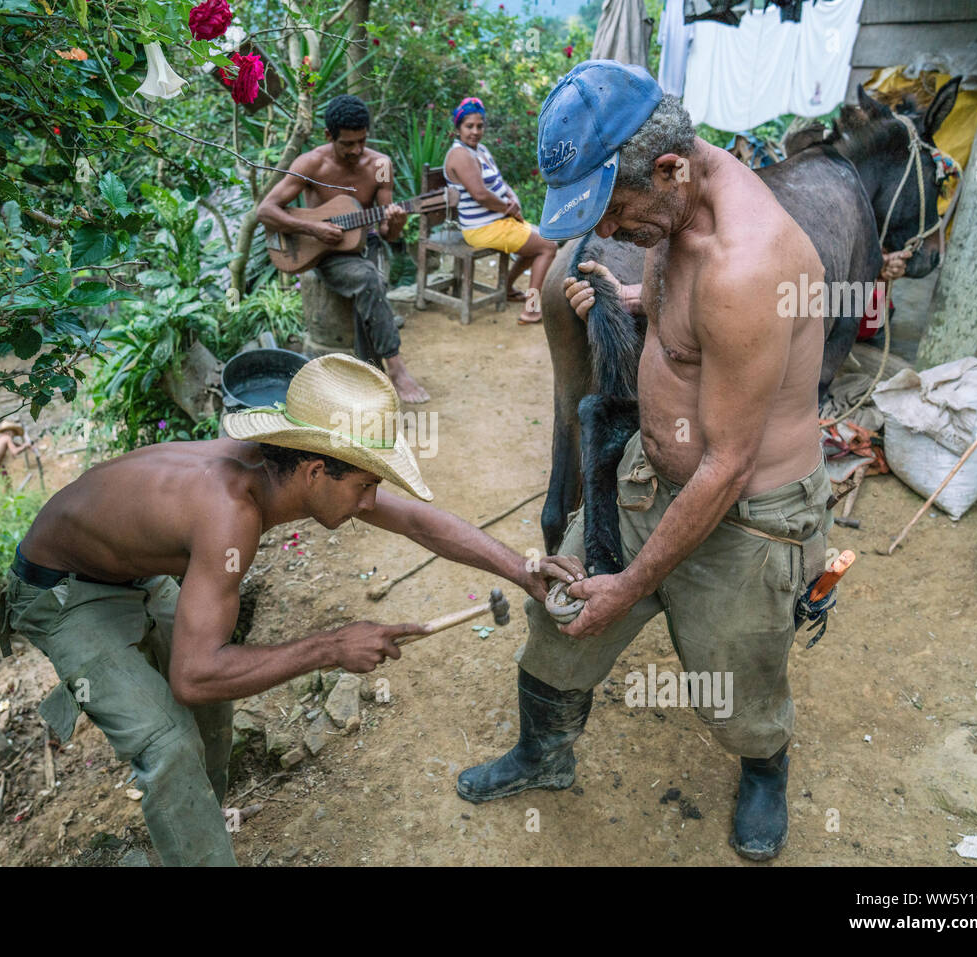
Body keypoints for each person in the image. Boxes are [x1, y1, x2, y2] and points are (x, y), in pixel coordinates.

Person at [457, 61, 835, 862]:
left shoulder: (747, 263)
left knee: (736, 684)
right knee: (560, 612)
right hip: (652, 476)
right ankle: (543, 754)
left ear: (668, 171)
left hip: (748, 517)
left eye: (613, 214)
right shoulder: (681, 200)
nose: (606, 233)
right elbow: (687, 320)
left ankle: (765, 763)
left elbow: (728, 465)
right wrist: (635, 301)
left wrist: (629, 586)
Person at [0, 354, 581, 866]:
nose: (372, 502)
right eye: (365, 485)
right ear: (314, 470)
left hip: (131, 571)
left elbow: (415, 519)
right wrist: (330, 647)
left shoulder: (286, 467)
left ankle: (201, 826)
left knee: (211, 716)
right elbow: (194, 674)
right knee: (169, 745)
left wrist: (522, 571)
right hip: (64, 591)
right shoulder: (231, 514)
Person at [258, 95, 429, 403]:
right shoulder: (311, 163)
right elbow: (266, 211)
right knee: (370, 280)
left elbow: (388, 235)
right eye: (347, 143)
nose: (356, 150)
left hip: (367, 244)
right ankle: (393, 369)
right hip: (326, 251)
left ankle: (370, 376)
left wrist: (397, 222)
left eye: (362, 141)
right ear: (328, 136)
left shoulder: (379, 166)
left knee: (370, 278)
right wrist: (312, 228)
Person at [443, 97, 557, 324]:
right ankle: (532, 309)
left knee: (537, 243)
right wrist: (509, 209)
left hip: (498, 221)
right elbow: (481, 194)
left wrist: (512, 198)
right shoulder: (460, 155)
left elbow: (499, 183)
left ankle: (505, 288)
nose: (475, 131)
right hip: (481, 228)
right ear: (457, 129)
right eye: (469, 126)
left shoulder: (480, 150)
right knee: (548, 246)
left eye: (479, 126)